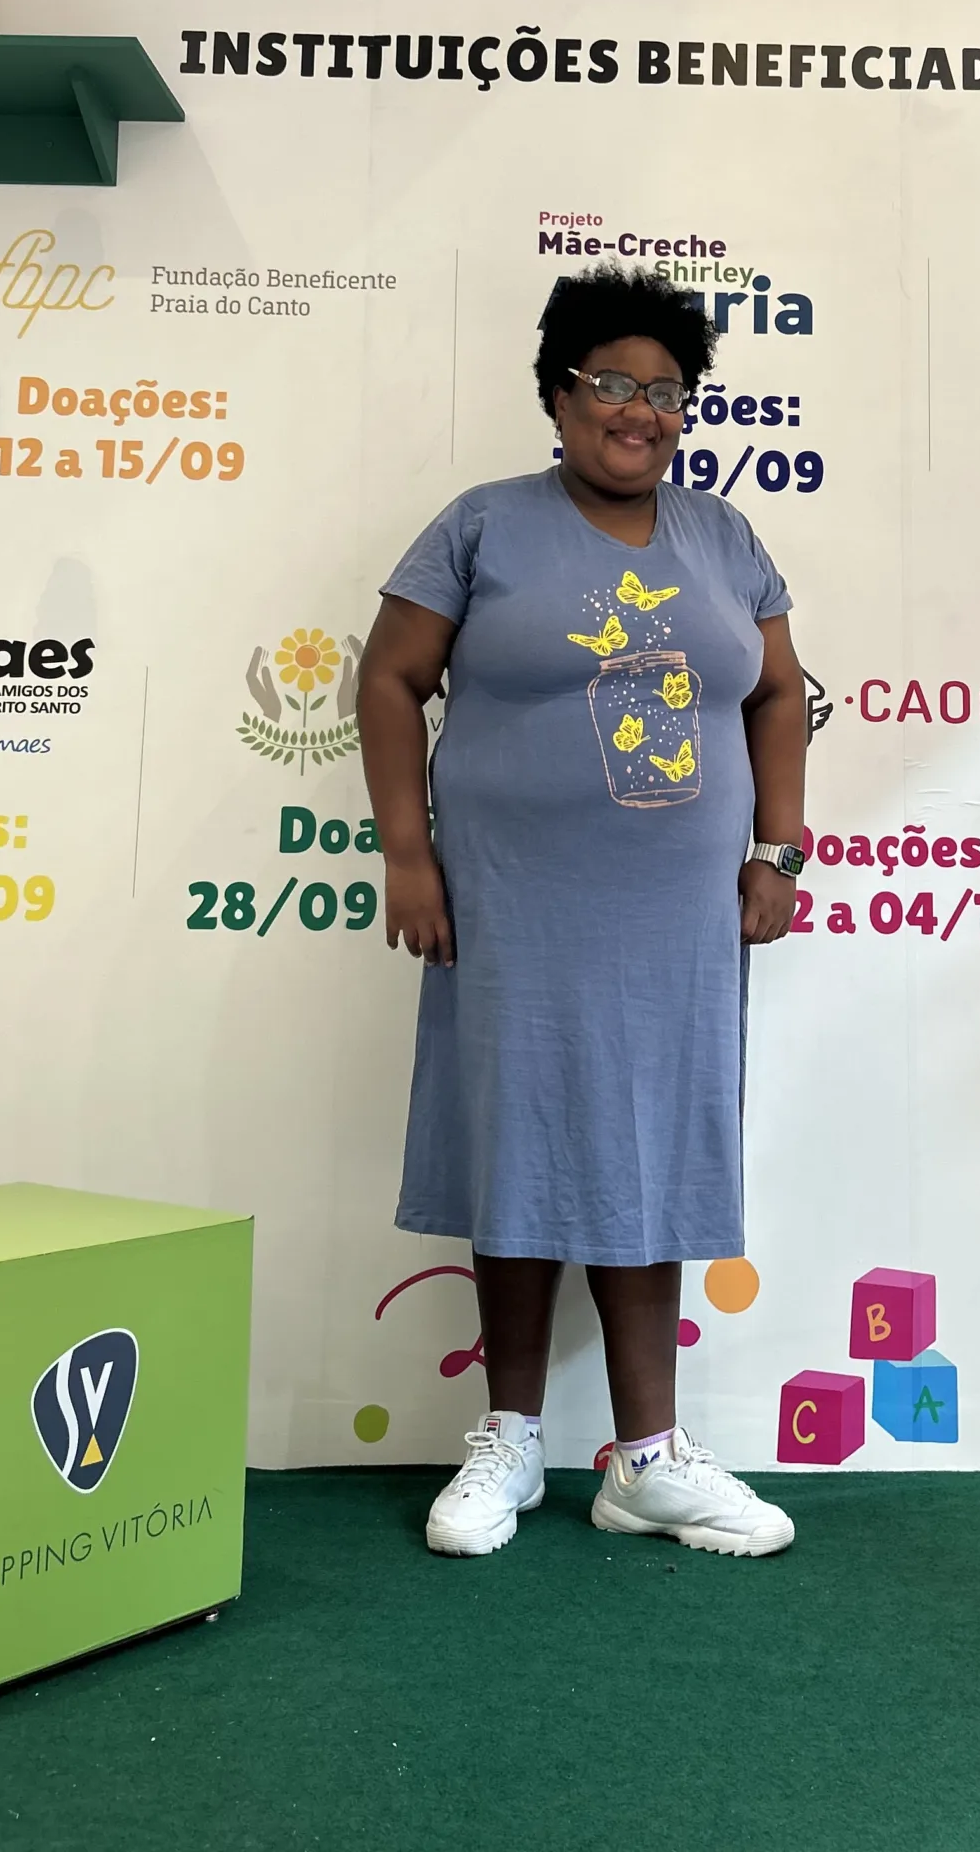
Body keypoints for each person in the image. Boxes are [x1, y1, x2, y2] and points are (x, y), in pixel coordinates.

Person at [356, 263, 808, 1558]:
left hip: (676, 917)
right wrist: (407, 854)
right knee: (519, 1142)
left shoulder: (724, 540)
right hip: (510, 903)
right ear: (559, 395)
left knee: (651, 1150)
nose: (640, 410)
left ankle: (646, 1461)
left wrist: (778, 851)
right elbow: (390, 680)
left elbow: (779, 692)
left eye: (666, 391)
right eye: (613, 382)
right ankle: (507, 1440)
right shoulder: (482, 526)